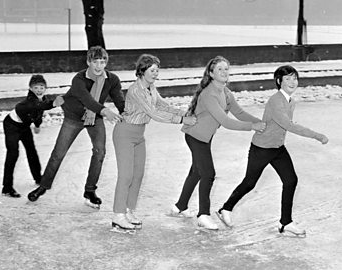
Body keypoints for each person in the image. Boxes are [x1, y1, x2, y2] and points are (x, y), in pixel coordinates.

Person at [216, 65, 328, 237]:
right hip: (262, 148)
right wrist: (317, 135)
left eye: (294, 78)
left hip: (277, 147)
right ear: (279, 82)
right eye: (288, 79)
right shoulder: (276, 101)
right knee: (249, 183)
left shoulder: (291, 101)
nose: (292, 82)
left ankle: (286, 223)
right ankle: (225, 208)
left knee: (290, 180)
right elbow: (289, 125)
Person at [170, 56, 266, 230]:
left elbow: (240, 113)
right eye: (220, 69)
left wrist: (260, 123)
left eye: (226, 69)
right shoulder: (209, 94)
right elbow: (226, 121)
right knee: (208, 173)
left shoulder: (225, 92)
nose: (224, 72)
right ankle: (203, 215)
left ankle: (179, 206)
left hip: (205, 137)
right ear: (211, 73)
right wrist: (253, 127)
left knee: (197, 172)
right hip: (195, 136)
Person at [27, 46, 125, 208]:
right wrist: (105, 110)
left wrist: (126, 113)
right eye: (95, 62)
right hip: (73, 116)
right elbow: (87, 100)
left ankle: (90, 190)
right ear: (88, 62)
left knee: (100, 152)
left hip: (94, 117)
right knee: (58, 153)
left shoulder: (112, 79)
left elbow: (118, 99)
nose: (99, 66)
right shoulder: (79, 79)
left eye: (102, 62)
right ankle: (43, 186)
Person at [111, 54, 197, 233]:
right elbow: (154, 113)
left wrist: (184, 112)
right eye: (152, 70)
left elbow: (162, 105)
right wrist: (181, 120)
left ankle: (128, 210)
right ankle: (118, 215)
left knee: (138, 175)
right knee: (126, 175)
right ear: (142, 71)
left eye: (157, 70)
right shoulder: (136, 90)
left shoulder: (151, 88)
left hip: (139, 134)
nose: (156, 74)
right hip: (124, 133)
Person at [2, 75, 64, 198]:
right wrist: (54, 104)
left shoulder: (43, 99)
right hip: (11, 126)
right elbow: (36, 107)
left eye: (41, 87)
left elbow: (39, 112)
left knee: (31, 151)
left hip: (24, 127)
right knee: (13, 154)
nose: (39, 90)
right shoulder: (29, 101)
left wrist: (37, 125)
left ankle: (38, 178)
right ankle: (7, 188)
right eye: (35, 87)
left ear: (45, 88)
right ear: (30, 88)